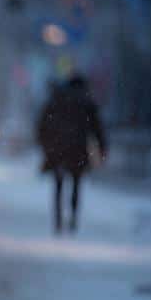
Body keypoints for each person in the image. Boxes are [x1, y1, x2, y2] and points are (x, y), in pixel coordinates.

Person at [36, 73, 107, 234]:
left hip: (58, 149)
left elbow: (43, 124)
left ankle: (58, 220)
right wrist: (102, 147)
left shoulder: (56, 99)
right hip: (77, 150)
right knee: (76, 183)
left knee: (58, 184)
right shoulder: (85, 101)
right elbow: (97, 127)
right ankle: (73, 218)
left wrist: (45, 145)